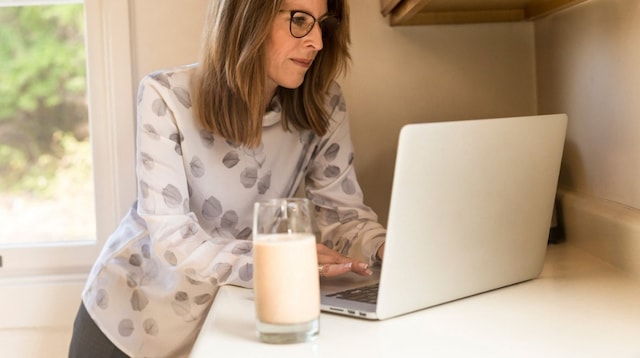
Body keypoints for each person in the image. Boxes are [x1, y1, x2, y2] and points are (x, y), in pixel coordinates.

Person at [68, 0, 386, 356]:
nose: (317, 41)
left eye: (322, 24)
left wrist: (384, 247)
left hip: (223, 323)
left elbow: (343, 218)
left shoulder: (324, 105)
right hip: (128, 322)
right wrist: (279, 263)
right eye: (299, 20)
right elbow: (173, 239)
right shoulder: (166, 97)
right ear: (247, 17)